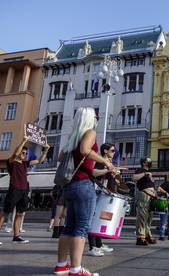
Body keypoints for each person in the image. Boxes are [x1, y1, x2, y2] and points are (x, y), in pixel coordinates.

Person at [54, 107, 114, 276]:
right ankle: (76, 270)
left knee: (69, 227)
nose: (97, 119)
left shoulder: (73, 136)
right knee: (81, 228)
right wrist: (106, 162)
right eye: (95, 116)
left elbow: (60, 157)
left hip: (70, 186)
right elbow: (85, 151)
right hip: (83, 186)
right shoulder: (90, 133)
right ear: (89, 118)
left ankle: (61, 265)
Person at [0, 132, 50, 245]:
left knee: (20, 213)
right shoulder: (11, 161)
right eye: (23, 152)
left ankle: (16, 236)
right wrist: (23, 141)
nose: (24, 154)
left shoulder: (25, 163)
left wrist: (46, 150)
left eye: (26, 153)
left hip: (23, 190)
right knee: (5, 212)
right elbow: (15, 153)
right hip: (14, 189)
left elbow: (40, 161)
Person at [87, 143, 116, 257]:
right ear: (105, 151)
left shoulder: (108, 163)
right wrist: (107, 171)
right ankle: (92, 247)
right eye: (112, 150)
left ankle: (99, 244)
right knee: (94, 219)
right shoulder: (101, 162)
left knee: (101, 219)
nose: (114, 153)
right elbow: (93, 172)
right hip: (97, 193)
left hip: (105, 193)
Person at [133, 157, 157, 246]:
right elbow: (134, 178)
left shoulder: (147, 172)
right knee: (143, 215)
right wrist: (145, 173)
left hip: (150, 194)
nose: (150, 162)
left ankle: (147, 234)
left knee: (149, 216)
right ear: (144, 163)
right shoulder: (140, 170)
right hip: (144, 193)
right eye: (148, 161)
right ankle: (140, 237)